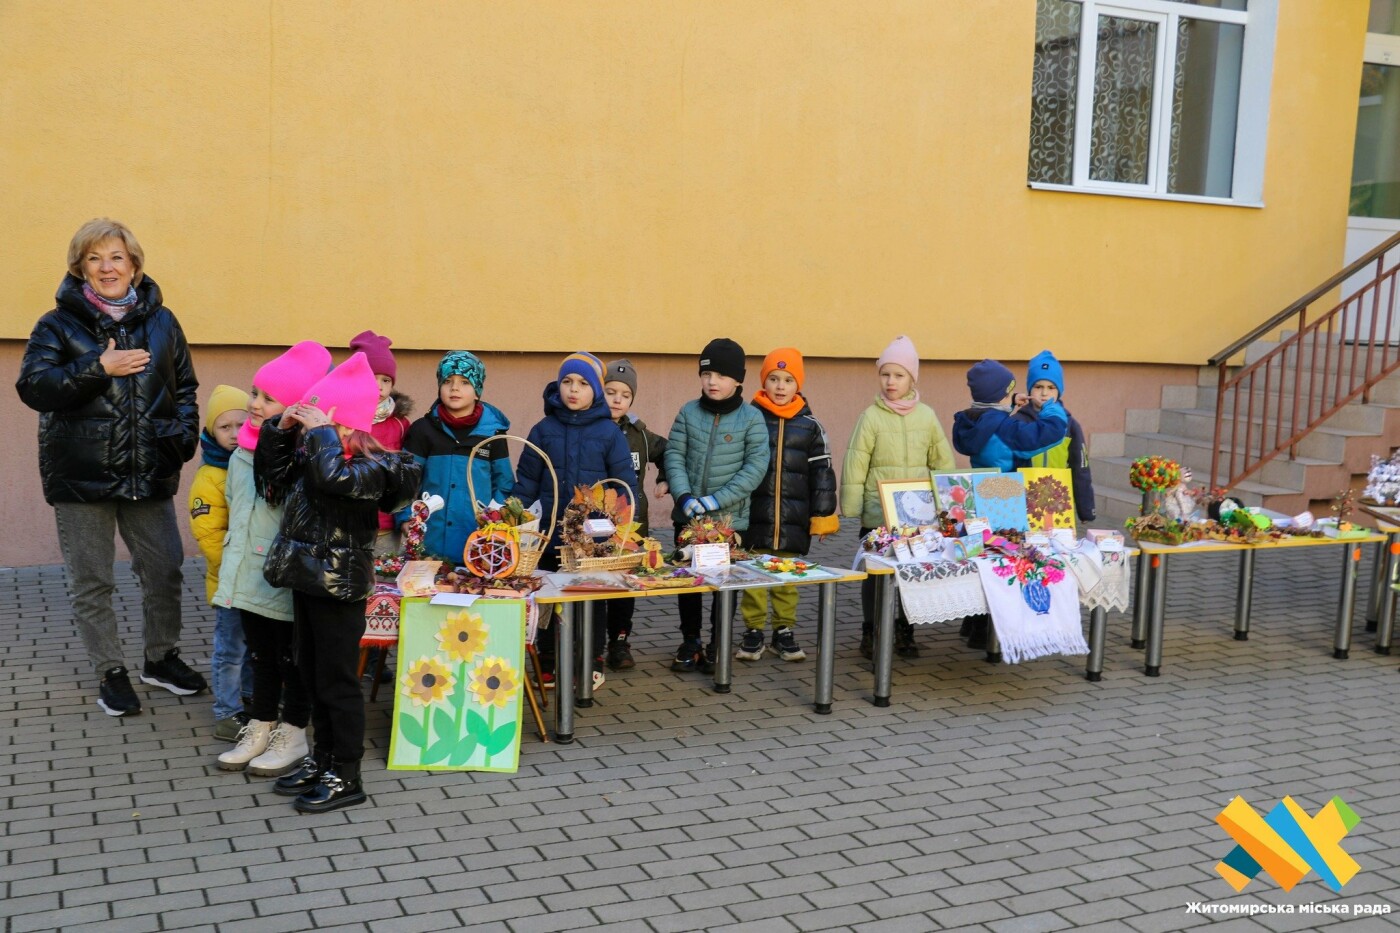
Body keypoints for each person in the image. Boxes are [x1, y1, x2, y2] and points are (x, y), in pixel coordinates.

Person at [16, 218, 205, 717]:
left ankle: (160, 659)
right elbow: (34, 388)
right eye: (95, 258)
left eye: (117, 257)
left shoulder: (163, 321)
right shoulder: (55, 325)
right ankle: (110, 671)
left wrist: (182, 438)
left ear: (135, 265)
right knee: (92, 580)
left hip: (148, 469)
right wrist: (99, 368)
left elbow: (184, 386)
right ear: (80, 267)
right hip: (82, 474)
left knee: (164, 568)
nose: (107, 267)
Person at [259, 353, 422, 813]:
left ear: (345, 424)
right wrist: (282, 430)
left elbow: (334, 479)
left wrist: (323, 436)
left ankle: (347, 775)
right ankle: (323, 757)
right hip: (306, 579)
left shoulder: (376, 468)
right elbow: (271, 477)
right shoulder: (319, 453)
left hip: (339, 587)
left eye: (325, 420)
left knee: (337, 682)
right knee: (310, 674)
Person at [214, 341, 332, 776]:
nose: (255, 404)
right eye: (254, 392)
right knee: (261, 655)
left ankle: (294, 730)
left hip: (280, 574)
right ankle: (261, 724)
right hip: (247, 568)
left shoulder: (300, 456)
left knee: (291, 657)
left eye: (268, 398)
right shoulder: (242, 450)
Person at [511, 352, 638, 683]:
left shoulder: (609, 434)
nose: (573, 390)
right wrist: (515, 518)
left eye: (583, 383)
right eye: (567, 381)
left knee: (591, 598)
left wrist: (616, 529)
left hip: (592, 538)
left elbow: (624, 487)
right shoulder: (543, 430)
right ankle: (549, 661)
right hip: (549, 531)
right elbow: (526, 481)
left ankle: (591, 660)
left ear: (596, 390)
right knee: (549, 595)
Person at [840, 336, 955, 660]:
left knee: (911, 574)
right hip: (879, 515)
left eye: (899, 375)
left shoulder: (927, 417)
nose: (891, 382)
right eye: (885, 374)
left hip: (917, 519)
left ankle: (905, 630)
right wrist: (852, 508)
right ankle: (872, 631)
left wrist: (947, 506)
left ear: (912, 378)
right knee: (876, 575)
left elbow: (942, 464)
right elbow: (856, 461)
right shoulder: (871, 418)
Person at [665, 338, 770, 673]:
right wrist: (684, 496)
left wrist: (715, 500)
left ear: (738, 380)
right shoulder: (688, 411)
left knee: (723, 584)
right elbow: (674, 456)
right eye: (707, 374)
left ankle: (718, 642)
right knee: (688, 581)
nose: (713, 382)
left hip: (729, 521)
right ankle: (691, 640)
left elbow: (754, 468)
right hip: (688, 516)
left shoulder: (751, 419)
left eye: (722, 376)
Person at [951, 358, 1069, 649]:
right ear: (1002, 395)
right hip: (1004, 495)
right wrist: (1053, 408)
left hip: (980, 493)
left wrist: (1008, 405)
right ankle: (993, 636)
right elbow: (1045, 434)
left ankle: (975, 625)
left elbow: (993, 421)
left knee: (984, 562)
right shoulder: (1004, 428)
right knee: (1005, 565)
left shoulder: (972, 419)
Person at [737, 349, 839, 663]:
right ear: (763, 382)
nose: (780, 386)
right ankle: (753, 630)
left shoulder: (810, 426)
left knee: (786, 577)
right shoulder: (749, 419)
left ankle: (784, 630)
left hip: (792, 517)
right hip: (755, 515)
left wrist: (821, 515)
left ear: (798, 385)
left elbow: (822, 473)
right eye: (774, 379)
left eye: (788, 380)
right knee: (753, 576)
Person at [399, 350, 514, 563]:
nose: (454, 388)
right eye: (447, 381)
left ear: (477, 391)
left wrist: (494, 523)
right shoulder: (423, 430)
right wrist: (405, 517)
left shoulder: (493, 435)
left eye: (464, 382)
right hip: (429, 541)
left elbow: (504, 484)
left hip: (477, 543)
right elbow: (405, 479)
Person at [189, 384, 254, 740]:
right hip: (229, 580)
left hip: (257, 579)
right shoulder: (211, 476)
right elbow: (209, 534)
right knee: (230, 650)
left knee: (254, 647)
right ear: (211, 431)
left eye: (239, 425)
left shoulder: (256, 463)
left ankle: (251, 700)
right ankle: (227, 712)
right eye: (224, 427)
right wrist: (236, 568)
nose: (233, 434)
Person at [601, 359, 669, 671]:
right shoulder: (591, 429)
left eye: (625, 395)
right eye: (610, 391)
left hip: (632, 527)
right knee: (596, 584)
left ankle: (619, 640)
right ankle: (589, 645)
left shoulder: (640, 436)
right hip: (595, 525)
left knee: (624, 585)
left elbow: (668, 451)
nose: (617, 399)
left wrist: (664, 478)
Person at [349, 330, 414, 555]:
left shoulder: (399, 424)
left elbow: (406, 473)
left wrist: (403, 515)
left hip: (387, 526)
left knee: (385, 583)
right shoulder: (344, 420)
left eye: (385, 380)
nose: (378, 386)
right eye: (371, 377)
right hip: (350, 524)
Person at [1011, 350, 1096, 522]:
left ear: (1059, 391)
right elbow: (1007, 465)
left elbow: (1081, 469)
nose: (1044, 393)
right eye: (1038, 387)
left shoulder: (1070, 425)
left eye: (1051, 387)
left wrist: (1086, 510)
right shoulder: (1017, 422)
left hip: (1058, 504)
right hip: (1023, 503)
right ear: (1029, 389)